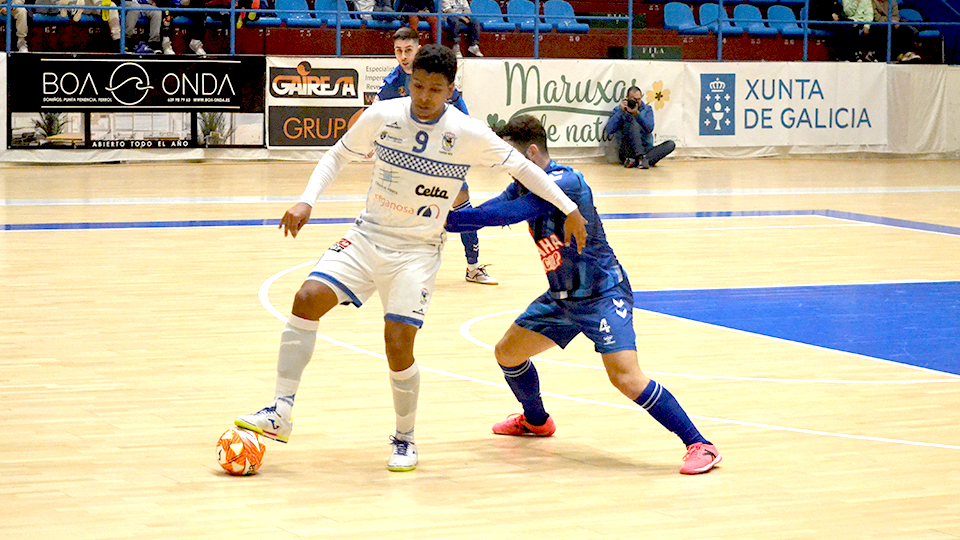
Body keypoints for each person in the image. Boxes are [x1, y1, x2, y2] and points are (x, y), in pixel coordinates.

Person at [235, 45, 588, 472]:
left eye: (435, 89)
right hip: (367, 235)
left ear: (450, 90)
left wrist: (569, 208)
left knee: (397, 344)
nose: (424, 95)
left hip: (417, 251)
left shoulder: (468, 131)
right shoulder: (384, 115)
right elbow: (337, 155)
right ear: (409, 81)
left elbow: (526, 170)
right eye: (417, 85)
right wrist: (306, 200)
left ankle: (405, 438)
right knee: (307, 297)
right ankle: (280, 410)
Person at [445, 114, 722, 475]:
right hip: (562, 297)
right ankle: (536, 421)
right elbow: (476, 216)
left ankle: (700, 444)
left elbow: (500, 215)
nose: (508, 169)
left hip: (603, 293)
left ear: (531, 152)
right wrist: (447, 204)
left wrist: (454, 209)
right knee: (508, 353)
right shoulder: (521, 184)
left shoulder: (565, 182)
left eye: (511, 159)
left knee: (625, 376)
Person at [377, 26, 497, 285]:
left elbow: (463, 117)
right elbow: (375, 118)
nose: (403, 56)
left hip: (445, 158)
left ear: (418, 49)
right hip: (411, 164)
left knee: (463, 207)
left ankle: (473, 267)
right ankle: (398, 266)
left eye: (408, 50)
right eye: (398, 51)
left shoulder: (439, 77)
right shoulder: (391, 84)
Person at [604, 86, 675, 170]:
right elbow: (609, 130)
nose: (636, 102)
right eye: (633, 99)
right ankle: (641, 159)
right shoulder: (619, 110)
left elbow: (649, 128)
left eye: (638, 99)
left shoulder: (647, 109)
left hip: (646, 149)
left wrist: (637, 114)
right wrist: (621, 112)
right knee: (633, 122)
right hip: (627, 150)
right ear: (627, 98)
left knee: (670, 144)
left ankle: (639, 160)